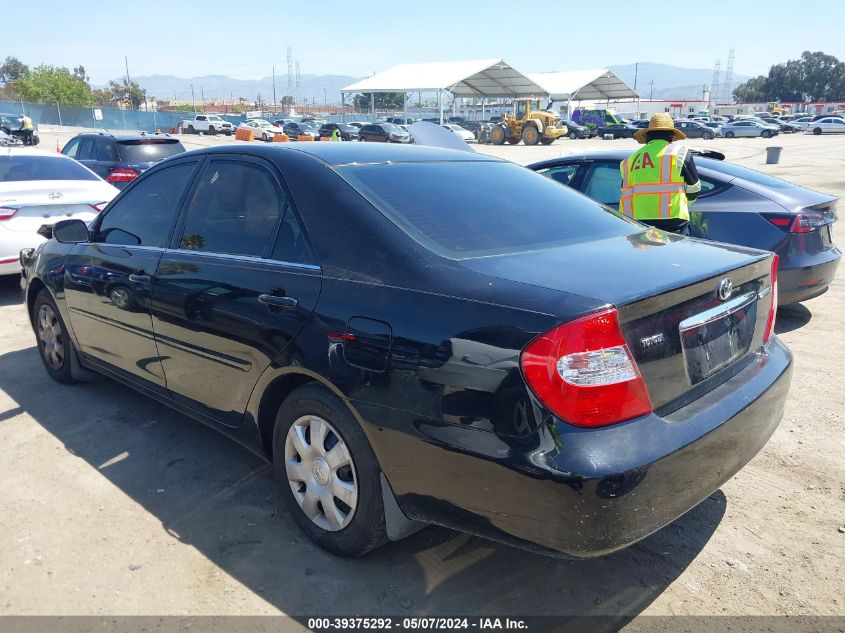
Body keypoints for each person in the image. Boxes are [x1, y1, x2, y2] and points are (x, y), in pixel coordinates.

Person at [619, 113, 701, 234]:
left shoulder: (629, 161)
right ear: (672, 136)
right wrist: (684, 203)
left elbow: (626, 194)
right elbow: (694, 189)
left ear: (647, 136)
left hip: (639, 225)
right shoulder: (679, 153)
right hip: (674, 223)